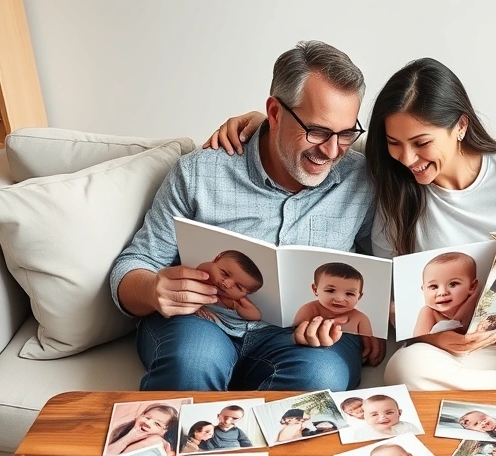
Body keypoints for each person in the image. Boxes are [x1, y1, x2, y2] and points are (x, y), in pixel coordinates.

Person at [206, 57, 496, 391]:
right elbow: (385, 296)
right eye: (394, 144)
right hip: (461, 353)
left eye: (420, 143)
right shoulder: (392, 188)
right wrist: (435, 338)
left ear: (460, 126)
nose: (408, 159)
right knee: (406, 368)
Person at [110, 40, 383, 395]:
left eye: (346, 133)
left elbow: (380, 267)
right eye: (316, 131)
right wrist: (152, 289)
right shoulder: (200, 172)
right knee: (193, 360)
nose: (332, 151)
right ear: (274, 112)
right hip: (201, 324)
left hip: (303, 337)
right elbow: (134, 263)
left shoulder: (361, 179)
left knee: (321, 378)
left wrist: (360, 321)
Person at [292, 262, 373, 336]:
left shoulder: (360, 319)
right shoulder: (309, 310)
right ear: (315, 289)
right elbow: (294, 333)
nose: (339, 299)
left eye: (349, 293)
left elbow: (369, 344)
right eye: (331, 290)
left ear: (359, 297)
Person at [413, 252, 479, 337]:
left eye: (453, 284)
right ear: (423, 290)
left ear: (472, 286)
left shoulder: (475, 302)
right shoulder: (429, 312)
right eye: (434, 286)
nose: (442, 292)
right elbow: (418, 340)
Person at [194, 251, 264, 323]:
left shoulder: (234, 301)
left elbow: (256, 316)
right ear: (215, 259)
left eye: (238, 287)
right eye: (224, 274)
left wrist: (236, 307)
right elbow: (202, 267)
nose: (226, 284)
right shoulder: (203, 275)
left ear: (248, 293)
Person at [104, 404, 178, 456]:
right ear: (139, 416)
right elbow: (106, 455)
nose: (147, 423)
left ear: (165, 432)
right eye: (147, 417)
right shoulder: (121, 430)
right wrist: (128, 438)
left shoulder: (157, 441)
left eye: (157, 424)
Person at [348, 394, 420, 441]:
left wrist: (389, 432)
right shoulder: (362, 432)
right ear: (365, 417)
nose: (383, 417)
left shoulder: (408, 427)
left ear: (399, 413)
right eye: (374, 415)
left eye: (389, 413)